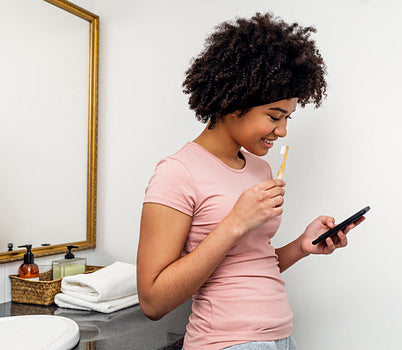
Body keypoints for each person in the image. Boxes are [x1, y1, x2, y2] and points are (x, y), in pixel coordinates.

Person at [137, 12, 364, 350]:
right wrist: (235, 223)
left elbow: (249, 264)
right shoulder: (177, 172)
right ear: (235, 103)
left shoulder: (260, 170)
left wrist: (302, 246)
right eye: (274, 116)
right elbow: (153, 301)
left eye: (288, 117)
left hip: (282, 339)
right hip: (226, 343)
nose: (283, 130)